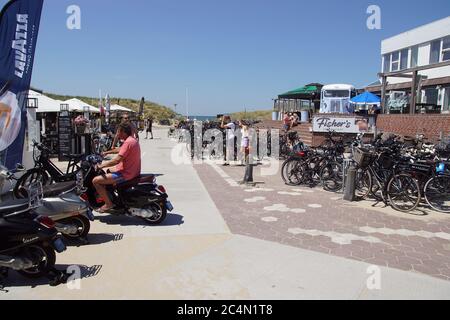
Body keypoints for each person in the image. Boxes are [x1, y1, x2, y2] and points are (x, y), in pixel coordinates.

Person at [93, 122, 141, 213]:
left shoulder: (128, 143)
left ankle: (108, 203)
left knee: (96, 181)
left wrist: (101, 165)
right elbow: (120, 150)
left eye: (118, 132)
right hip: (132, 171)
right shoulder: (132, 140)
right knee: (108, 170)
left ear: (123, 132)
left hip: (126, 174)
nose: (117, 134)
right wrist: (107, 152)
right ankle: (112, 195)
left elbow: (116, 160)